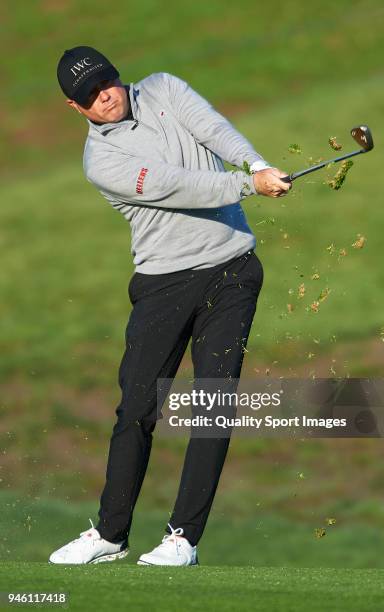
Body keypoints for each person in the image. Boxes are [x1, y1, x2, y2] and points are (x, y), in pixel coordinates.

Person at [49, 46, 292, 566]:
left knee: (211, 406)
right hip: (164, 283)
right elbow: (175, 187)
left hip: (232, 271)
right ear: (75, 108)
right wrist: (246, 184)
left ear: (117, 75)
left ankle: (183, 538)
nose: (103, 96)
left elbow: (213, 129)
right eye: (87, 95)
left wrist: (257, 161)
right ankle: (112, 535)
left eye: (104, 82)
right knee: (136, 408)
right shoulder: (102, 161)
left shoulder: (163, 88)